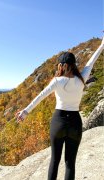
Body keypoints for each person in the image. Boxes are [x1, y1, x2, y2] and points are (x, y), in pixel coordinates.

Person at [15, 36, 104, 180]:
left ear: (61, 66)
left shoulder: (57, 81)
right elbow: (91, 62)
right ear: (73, 64)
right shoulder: (82, 79)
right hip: (75, 122)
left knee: (54, 161)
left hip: (58, 122)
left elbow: (41, 96)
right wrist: (101, 45)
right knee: (70, 163)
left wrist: (25, 111)